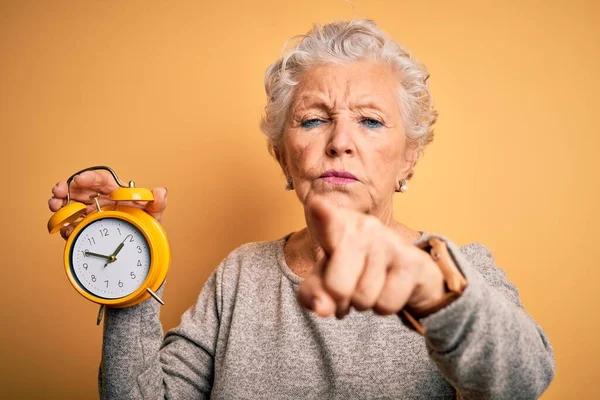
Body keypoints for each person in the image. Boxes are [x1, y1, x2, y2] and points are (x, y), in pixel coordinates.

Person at [48, 19, 555, 399]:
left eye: (371, 122)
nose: (339, 143)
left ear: (409, 159)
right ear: (282, 156)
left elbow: (523, 380)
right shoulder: (239, 276)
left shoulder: (459, 270)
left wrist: (436, 296)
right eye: (313, 120)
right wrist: (128, 259)